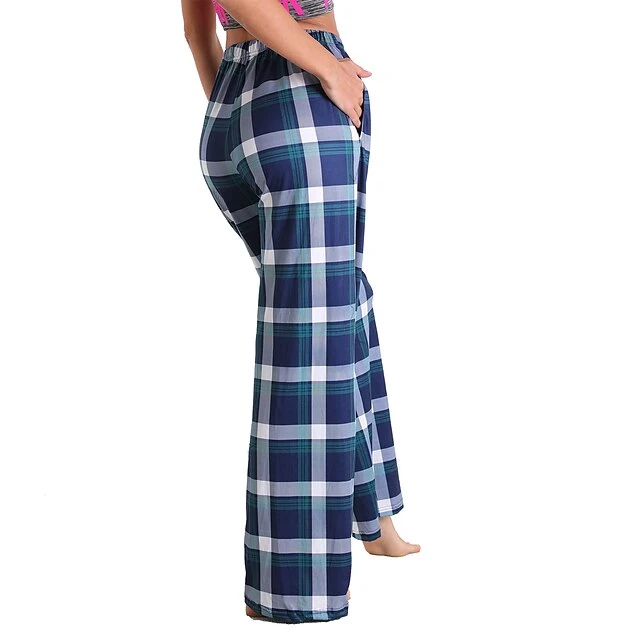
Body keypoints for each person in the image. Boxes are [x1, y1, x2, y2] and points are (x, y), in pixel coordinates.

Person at [181, 0, 420, 623]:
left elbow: (195, 30)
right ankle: (291, 589)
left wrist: (239, 112)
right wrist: (325, 66)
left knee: (335, 307)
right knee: (310, 345)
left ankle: (375, 521)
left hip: (233, 101)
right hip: (301, 90)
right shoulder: (312, 67)